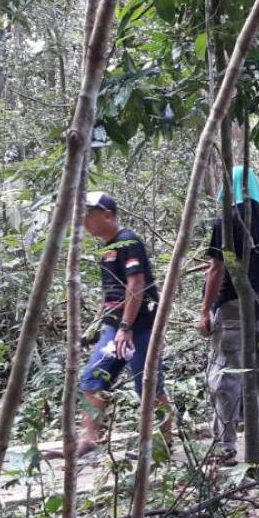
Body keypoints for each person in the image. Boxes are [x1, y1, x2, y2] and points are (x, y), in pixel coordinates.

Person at [68, 191, 169, 456]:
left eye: (88, 215)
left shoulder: (127, 241)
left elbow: (136, 284)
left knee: (148, 384)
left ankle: (162, 441)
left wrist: (126, 328)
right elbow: (113, 291)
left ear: (108, 215)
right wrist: (97, 324)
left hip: (140, 327)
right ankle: (89, 437)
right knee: (92, 379)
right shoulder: (107, 246)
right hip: (115, 328)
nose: (83, 221)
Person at [198, 167, 259, 464]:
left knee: (226, 375)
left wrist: (205, 311)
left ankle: (225, 446)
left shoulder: (226, 221)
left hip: (233, 305)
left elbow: (217, 269)